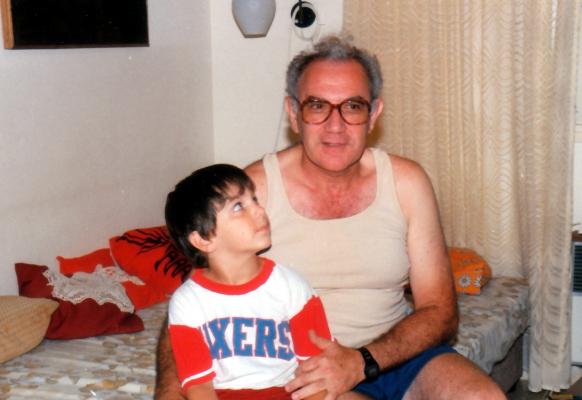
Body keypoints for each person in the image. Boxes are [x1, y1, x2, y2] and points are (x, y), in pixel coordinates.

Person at [155, 36, 507, 400]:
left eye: (353, 106)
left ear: (374, 114)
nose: (335, 125)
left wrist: (361, 361)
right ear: (293, 113)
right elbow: (195, 300)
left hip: (396, 354)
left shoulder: (406, 182)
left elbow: (440, 310)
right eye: (317, 106)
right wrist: (168, 393)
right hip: (296, 371)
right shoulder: (253, 190)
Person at [164, 164, 341, 400]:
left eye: (254, 199)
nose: (259, 210)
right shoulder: (188, 302)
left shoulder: (291, 287)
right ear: (203, 239)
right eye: (238, 206)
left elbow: (316, 373)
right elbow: (199, 386)